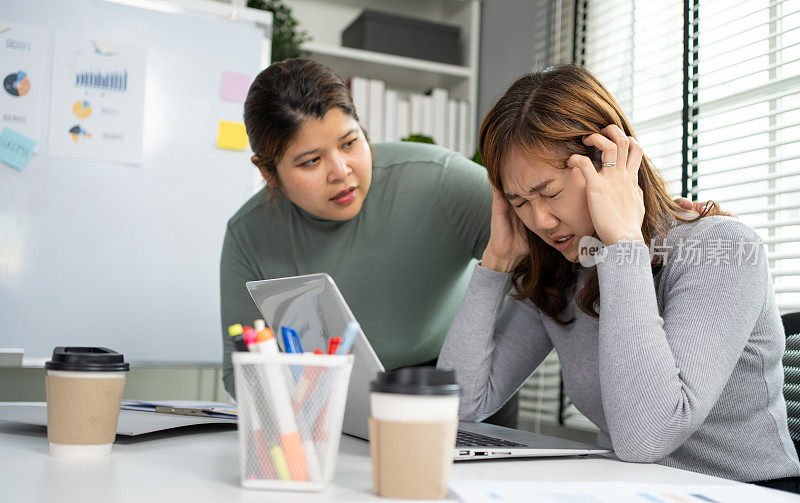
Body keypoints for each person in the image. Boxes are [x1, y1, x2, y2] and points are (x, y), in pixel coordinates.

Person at [220, 58, 713, 430]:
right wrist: (498, 260)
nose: (341, 171)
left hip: (442, 376)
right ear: (269, 173)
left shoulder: (437, 182)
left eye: (350, 143)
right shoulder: (248, 235)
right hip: (337, 399)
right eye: (310, 162)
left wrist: (665, 218)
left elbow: (587, 222)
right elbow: (238, 369)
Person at [437, 64, 800, 491]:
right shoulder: (565, 269)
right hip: (628, 488)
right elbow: (459, 407)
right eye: (519, 202)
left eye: (550, 192)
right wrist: (495, 261)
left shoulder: (721, 248)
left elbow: (647, 435)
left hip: (747, 492)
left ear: (610, 166)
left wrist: (623, 244)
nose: (540, 220)